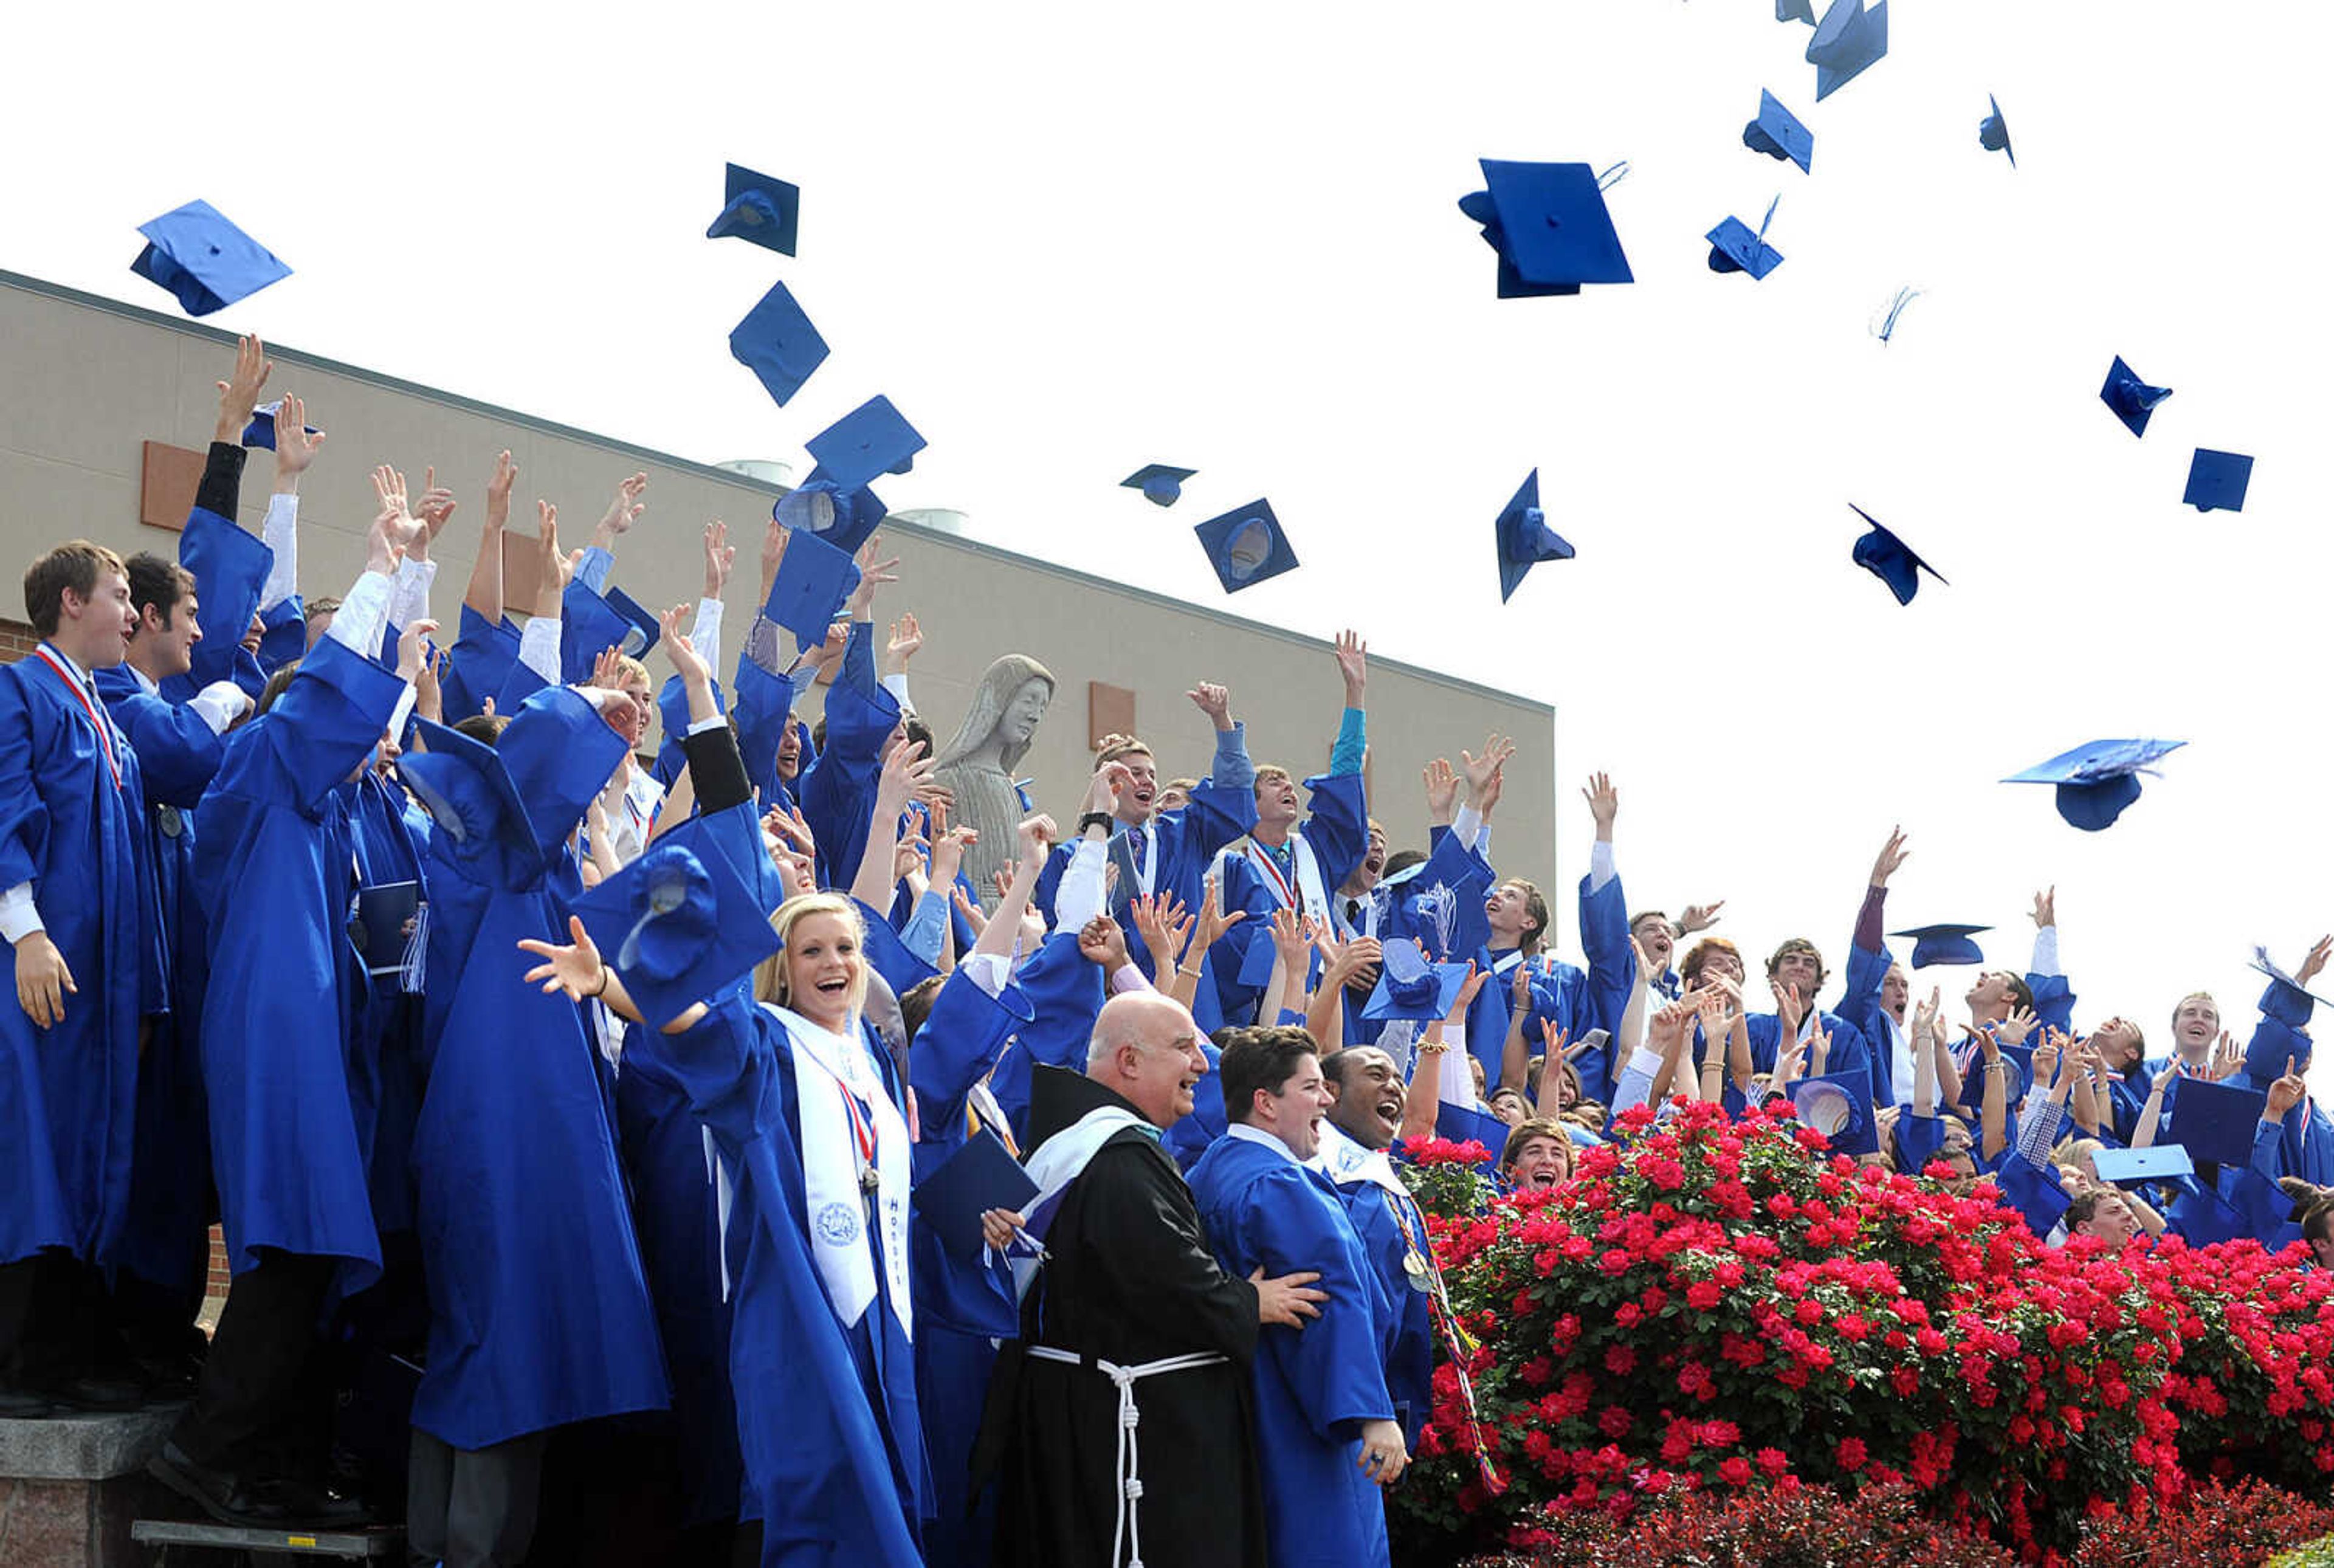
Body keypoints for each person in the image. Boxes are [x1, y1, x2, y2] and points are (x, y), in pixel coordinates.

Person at [151, 478, 430, 1524]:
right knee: (292, 1245)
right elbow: (326, 699)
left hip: (318, 1043)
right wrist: (379, 572)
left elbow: (384, 938)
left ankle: (261, 1458)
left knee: (314, 1252)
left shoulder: (322, 811)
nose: (361, 746)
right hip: (276, 1046)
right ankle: (204, 1449)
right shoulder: (259, 776)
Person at [398, 594, 673, 1567]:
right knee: (500, 1345)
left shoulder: (534, 869)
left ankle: (453, 1544)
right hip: (499, 1145)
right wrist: (598, 707)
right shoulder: (490, 860)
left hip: (525, 1137)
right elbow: (543, 772)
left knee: (506, 1345)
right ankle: (461, 1552)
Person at [983, 991, 1326, 1568]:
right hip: (1123, 1430)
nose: (1201, 1064)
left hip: (1082, 1410)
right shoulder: (1116, 1158)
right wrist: (1248, 1300)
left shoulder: (1093, 1146)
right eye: (1183, 1048)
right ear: (1130, 1062)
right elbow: (1164, 1274)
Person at [0, 535, 157, 1419]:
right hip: (39, 970)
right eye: (118, 592)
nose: (131, 611)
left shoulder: (105, 716)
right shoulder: (20, 691)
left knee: (86, 1153)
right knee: (34, 1151)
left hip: (98, 986)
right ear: (69, 601)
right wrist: (24, 932)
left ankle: (61, 1350)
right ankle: (16, 1359)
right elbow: (2, 807)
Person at [1187, 1026, 1405, 1568]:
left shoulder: (1209, 1169)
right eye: (1311, 1088)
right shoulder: (1279, 1183)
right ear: (1265, 1102)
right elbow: (1330, 1303)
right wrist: (1370, 1414)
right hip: (1304, 1415)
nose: (1328, 1099)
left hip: (1239, 1404)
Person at [1209, 632, 1372, 1020]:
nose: (1288, 787)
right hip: (1259, 1004)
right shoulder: (1231, 868)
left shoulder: (1314, 849)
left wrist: (1356, 693)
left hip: (1321, 993)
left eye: (1288, 781)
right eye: (1273, 782)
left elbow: (1345, 779)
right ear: (1252, 801)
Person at [1315, 1047, 1436, 1447]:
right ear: (1329, 1092)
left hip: (1384, 1412)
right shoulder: (1316, 1181)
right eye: (1376, 1075)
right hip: (1342, 1415)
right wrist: (1368, 1412)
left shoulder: (1386, 1185)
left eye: (1398, 1080)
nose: (1394, 1087)